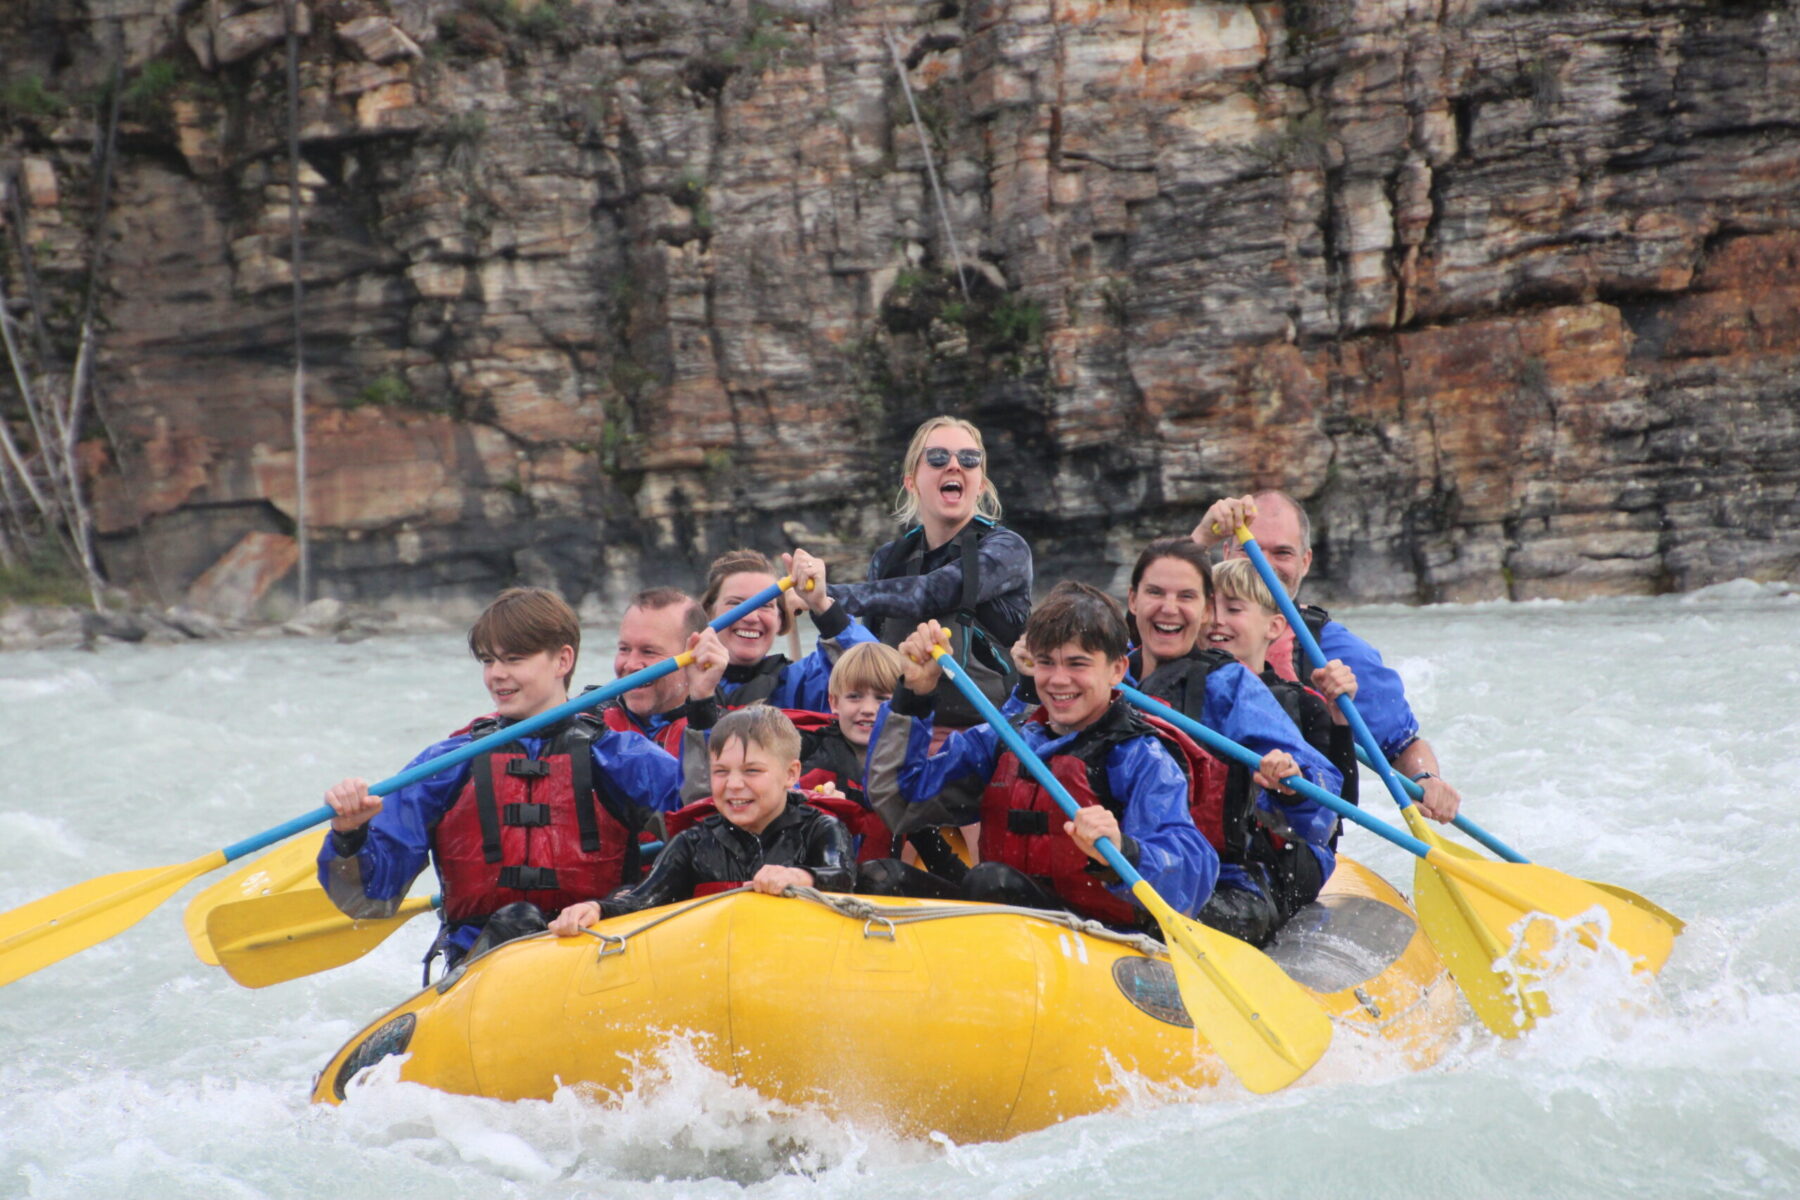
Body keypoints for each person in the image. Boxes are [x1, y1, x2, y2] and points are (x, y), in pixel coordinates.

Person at [316, 587, 712, 977]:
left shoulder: (619, 757)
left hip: (595, 951)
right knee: (515, 921)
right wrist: (350, 835)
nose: (497, 675)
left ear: (562, 660)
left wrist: (703, 703)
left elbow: (711, 825)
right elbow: (369, 898)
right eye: (489, 661)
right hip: (479, 966)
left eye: (514, 659)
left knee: (525, 923)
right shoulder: (447, 765)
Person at [857, 582, 1216, 929]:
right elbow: (898, 801)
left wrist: (1125, 850)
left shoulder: (1141, 756)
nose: (1059, 680)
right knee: (881, 878)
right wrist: (914, 695)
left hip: (1101, 936)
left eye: (1077, 664)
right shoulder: (1005, 739)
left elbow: (1191, 878)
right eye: (1047, 663)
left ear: (1117, 670)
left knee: (990, 882)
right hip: (1011, 924)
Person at [1117, 537, 1343, 945]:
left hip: (1221, 879)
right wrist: (1028, 685)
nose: (1168, 608)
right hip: (1119, 865)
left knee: (1150, 910)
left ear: (1205, 613)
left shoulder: (1231, 686)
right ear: (1132, 601)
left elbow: (1322, 808)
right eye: (1155, 593)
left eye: (1186, 597)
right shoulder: (1100, 676)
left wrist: (1292, 783)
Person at [1192, 491, 1463, 822]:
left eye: (1281, 553)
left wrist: (1426, 780)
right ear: (1225, 552)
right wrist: (1197, 539)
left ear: (1305, 562)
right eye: (1250, 548)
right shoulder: (1189, 626)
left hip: (1280, 829)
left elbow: (1402, 745)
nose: (1261, 562)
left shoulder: (1335, 650)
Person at [547, 706, 857, 929]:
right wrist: (595, 907)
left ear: (791, 774)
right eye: (721, 772)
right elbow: (644, 900)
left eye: (752, 771)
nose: (734, 784)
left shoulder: (822, 828)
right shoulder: (693, 843)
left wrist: (800, 877)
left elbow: (843, 876)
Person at [828, 415, 1033, 726]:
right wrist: (817, 607)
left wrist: (826, 595)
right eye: (937, 458)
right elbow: (867, 653)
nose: (954, 465)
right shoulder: (888, 560)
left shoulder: (1006, 549)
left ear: (982, 484)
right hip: (905, 729)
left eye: (969, 458)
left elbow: (934, 592)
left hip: (995, 732)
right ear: (911, 482)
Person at [701, 547, 875, 711]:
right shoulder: (682, 682)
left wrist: (823, 606)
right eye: (736, 604)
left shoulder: (804, 683)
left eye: (765, 606)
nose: (751, 617)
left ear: (780, 618)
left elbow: (874, 673)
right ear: (709, 612)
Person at [600, 586, 727, 756]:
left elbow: (708, 777)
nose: (631, 664)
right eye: (624, 649)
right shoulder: (588, 722)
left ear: (693, 654)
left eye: (649, 651)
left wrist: (702, 705)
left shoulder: (731, 733)